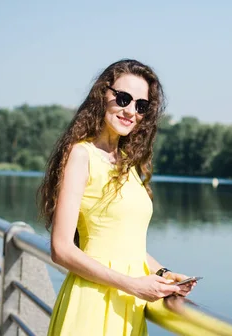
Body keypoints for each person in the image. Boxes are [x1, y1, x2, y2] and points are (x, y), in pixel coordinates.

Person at [37, 59, 196, 335]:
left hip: (127, 305)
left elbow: (125, 243)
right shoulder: (81, 155)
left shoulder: (128, 163)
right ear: (103, 95)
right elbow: (61, 249)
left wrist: (163, 275)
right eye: (123, 99)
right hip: (92, 304)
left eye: (141, 106)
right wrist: (132, 284)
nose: (130, 111)